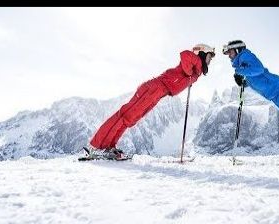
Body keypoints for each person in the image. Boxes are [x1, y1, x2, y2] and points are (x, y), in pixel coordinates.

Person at [85, 44, 216, 159]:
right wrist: (189, 71)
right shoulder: (194, 60)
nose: (209, 61)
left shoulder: (195, 72)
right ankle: (98, 147)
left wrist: (190, 77)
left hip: (158, 93)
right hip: (153, 88)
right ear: (202, 53)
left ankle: (109, 147)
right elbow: (185, 54)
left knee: (130, 119)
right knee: (125, 115)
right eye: (209, 56)